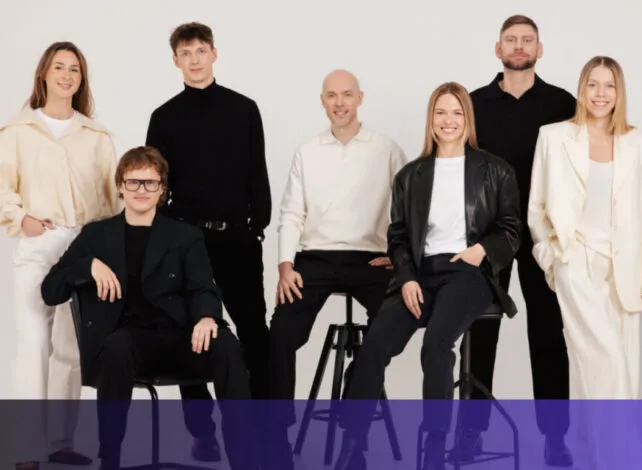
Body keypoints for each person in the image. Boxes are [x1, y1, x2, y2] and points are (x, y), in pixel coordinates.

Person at [333, 82, 522, 470]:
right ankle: (354, 446)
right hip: (420, 275)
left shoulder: (495, 170)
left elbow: (511, 228)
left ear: (467, 118)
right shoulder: (411, 175)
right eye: (440, 112)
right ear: (431, 119)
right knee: (374, 346)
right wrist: (406, 277)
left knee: (435, 346)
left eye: (456, 112)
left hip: (466, 272)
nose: (448, 120)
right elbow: (399, 235)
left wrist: (481, 251)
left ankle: (434, 450)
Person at [39, 146, 258, 470]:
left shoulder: (185, 235)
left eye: (150, 183)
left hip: (182, 339)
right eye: (133, 182)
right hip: (127, 344)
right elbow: (50, 291)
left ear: (161, 189)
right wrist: (87, 266)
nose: (141, 190)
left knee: (226, 344)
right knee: (118, 346)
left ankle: (244, 460)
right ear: (120, 186)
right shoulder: (97, 236)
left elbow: (203, 286)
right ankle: (110, 459)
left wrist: (206, 317)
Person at [527, 55, 642, 469]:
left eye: (609, 85)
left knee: (615, 366)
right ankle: (622, 458)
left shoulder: (641, 144)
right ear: (581, 89)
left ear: (619, 92)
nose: (600, 94)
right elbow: (537, 207)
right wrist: (553, 258)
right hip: (576, 261)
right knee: (608, 360)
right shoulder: (554, 137)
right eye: (592, 84)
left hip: (625, 268)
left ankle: (593, 454)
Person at [144, 21, 272, 460]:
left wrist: (257, 227)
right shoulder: (163, 117)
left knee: (253, 329)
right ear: (175, 60)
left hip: (237, 239)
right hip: (186, 243)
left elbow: (257, 172)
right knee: (191, 331)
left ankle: (261, 425)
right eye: (186, 53)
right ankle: (201, 431)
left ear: (214, 54)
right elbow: (155, 184)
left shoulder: (244, 109)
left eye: (201, 50)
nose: (194, 59)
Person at [266, 68, 407, 465]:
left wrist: (399, 256)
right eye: (332, 95)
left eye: (347, 94)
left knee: (389, 327)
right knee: (280, 334)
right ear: (322, 101)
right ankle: (277, 434)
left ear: (360, 98)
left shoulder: (387, 149)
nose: (340, 102)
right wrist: (285, 265)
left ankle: (353, 431)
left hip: (371, 257)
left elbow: (409, 208)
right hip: (316, 257)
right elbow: (291, 213)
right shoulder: (307, 151)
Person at [457, 14, 577, 466]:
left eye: (528, 40)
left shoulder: (563, 103)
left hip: (545, 233)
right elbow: (456, 166)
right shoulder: (473, 103)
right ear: (498, 49)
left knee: (548, 334)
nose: (520, 46)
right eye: (511, 40)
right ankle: (470, 432)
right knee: (479, 330)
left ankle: (555, 437)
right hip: (488, 236)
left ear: (539, 49)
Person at [0, 41, 120, 470]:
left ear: (81, 79)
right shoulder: (18, 130)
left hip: (83, 250)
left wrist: (106, 250)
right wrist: (21, 218)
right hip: (39, 245)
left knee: (70, 350)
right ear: (44, 74)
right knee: (33, 345)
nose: (67, 76)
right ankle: (27, 450)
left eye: (74, 69)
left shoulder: (96, 136)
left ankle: (59, 442)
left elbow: (112, 201)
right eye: (59, 67)